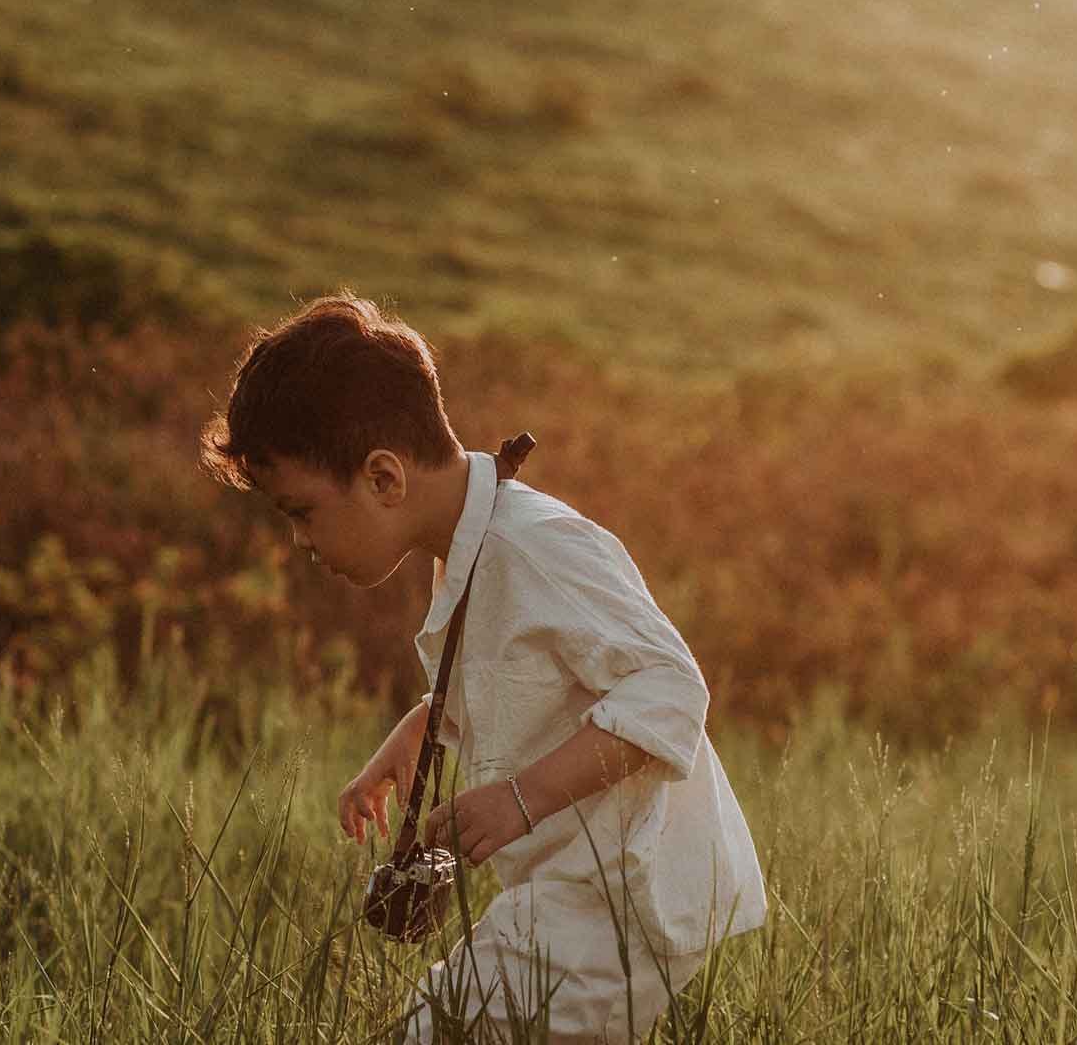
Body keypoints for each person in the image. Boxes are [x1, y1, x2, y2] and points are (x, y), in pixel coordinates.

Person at [200, 292, 765, 1043]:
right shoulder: (474, 545)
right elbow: (531, 674)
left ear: (383, 479)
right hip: (573, 892)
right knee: (444, 1024)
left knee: (442, 1030)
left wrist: (520, 799)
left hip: (630, 897)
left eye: (301, 512)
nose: (301, 542)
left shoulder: (535, 547)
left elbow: (669, 689)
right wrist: (417, 730)